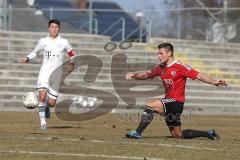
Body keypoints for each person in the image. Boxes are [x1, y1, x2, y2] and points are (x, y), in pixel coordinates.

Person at [125, 43, 227, 140]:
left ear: (169, 53)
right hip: (169, 102)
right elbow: (146, 75)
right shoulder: (161, 68)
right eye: (158, 54)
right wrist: (134, 75)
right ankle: (208, 133)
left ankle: (137, 133)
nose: (159, 56)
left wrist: (214, 82)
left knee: (150, 105)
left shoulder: (180, 66)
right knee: (178, 135)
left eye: (161, 53)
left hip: (176, 102)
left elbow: (199, 75)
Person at [21, 19, 76, 130]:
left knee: (51, 103)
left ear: (59, 28)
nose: (54, 29)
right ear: (48, 28)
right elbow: (35, 52)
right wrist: (27, 58)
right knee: (42, 96)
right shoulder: (43, 41)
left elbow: (72, 53)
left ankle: (46, 107)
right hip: (44, 73)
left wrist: (72, 63)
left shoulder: (64, 42)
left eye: (56, 27)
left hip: (56, 74)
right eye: (52, 27)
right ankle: (43, 123)